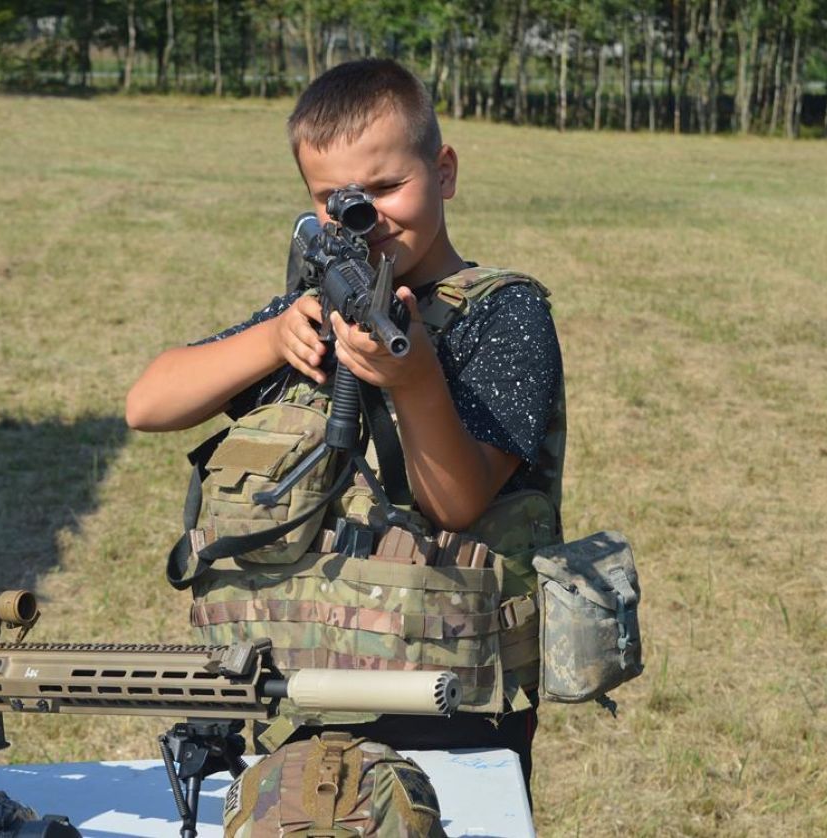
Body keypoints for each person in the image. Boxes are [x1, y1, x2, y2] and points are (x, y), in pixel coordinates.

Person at [126, 58, 564, 791]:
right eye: (338, 201)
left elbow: (458, 503)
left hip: (446, 703)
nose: (369, 219)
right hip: (294, 694)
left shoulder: (503, 313)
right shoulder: (307, 313)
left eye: (389, 188)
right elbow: (147, 404)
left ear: (445, 170)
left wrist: (415, 377)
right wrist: (272, 340)